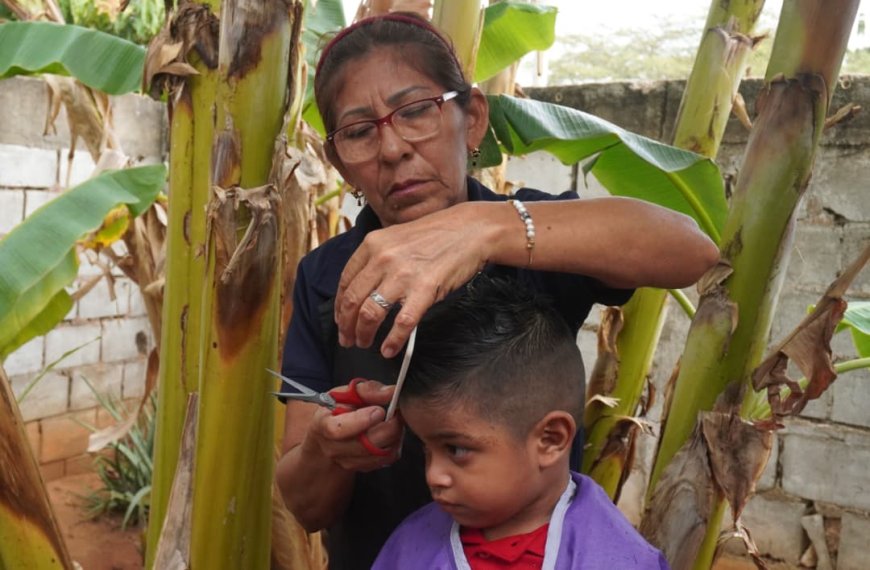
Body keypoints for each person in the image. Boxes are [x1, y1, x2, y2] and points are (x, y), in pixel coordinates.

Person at [275, 12, 718, 570]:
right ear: (340, 162)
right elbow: (306, 506)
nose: (392, 149)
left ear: (473, 118)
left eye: (415, 112)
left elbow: (692, 249)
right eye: (360, 131)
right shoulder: (326, 276)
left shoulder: (530, 231)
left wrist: (486, 229)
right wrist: (327, 449)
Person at [372, 275, 669, 569]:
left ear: (550, 439)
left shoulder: (619, 560)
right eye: (426, 449)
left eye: (456, 449)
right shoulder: (410, 549)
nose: (434, 476)